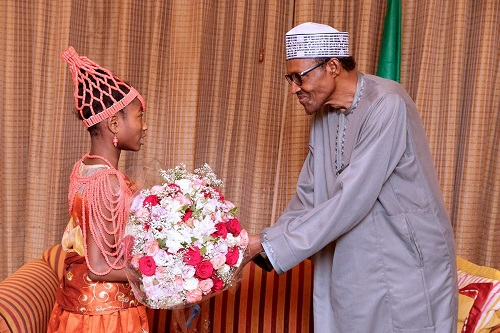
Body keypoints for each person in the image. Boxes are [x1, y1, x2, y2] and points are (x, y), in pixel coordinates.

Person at [247, 22, 458, 332]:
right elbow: (310, 193)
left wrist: (268, 243)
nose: (293, 88)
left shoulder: (387, 103)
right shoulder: (324, 113)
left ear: (332, 66)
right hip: (356, 264)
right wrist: (264, 244)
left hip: (406, 267)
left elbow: (352, 198)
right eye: (290, 78)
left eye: (299, 77)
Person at [47, 46, 149, 332]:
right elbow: (98, 267)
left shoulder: (84, 168)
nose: (145, 126)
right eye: (140, 116)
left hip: (80, 305)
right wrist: (158, 275)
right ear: (114, 123)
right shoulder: (106, 181)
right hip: (104, 317)